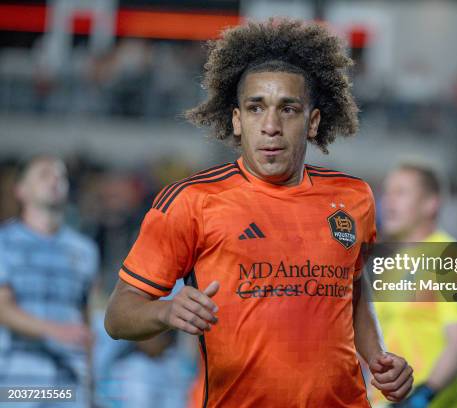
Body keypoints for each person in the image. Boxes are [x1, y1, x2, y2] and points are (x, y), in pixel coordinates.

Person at [104, 19, 413, 407]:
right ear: (237, 119)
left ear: (312, 121)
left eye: (288, 109)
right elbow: (117, 316)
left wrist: (379, 358)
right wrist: (166, 312)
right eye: (256, 108)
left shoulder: (355, 197)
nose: (271, 126)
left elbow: (351, 288)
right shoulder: (191, 201)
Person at [372, 163, 457, 408]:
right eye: (387, 192)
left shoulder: (453, 258)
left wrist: (422, 397)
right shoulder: (389, 263)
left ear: (430, 204)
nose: (388, 201)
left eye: (401, 192)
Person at [0, 156, 99, 407]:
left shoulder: (85, 250)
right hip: (19, 382)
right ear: (20, 190)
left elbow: (86, 315)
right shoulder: (4, 243)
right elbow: (2, 308)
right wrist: (54, 330)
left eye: (61, 175)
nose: (55, 180)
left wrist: (91, 377)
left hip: (71, 381)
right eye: (44, 174)